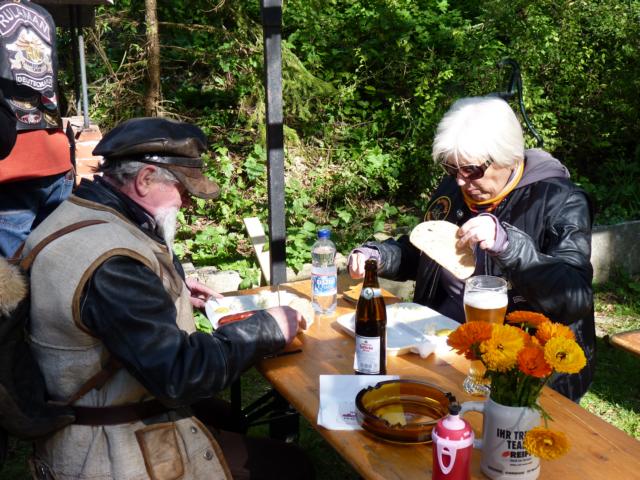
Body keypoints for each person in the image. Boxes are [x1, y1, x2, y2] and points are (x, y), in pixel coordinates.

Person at [22, 117, 314, 479]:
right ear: (145, 179)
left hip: (100, 402)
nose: (188, 202)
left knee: (227, 416)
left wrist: (169, 289)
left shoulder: (80, 212)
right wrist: (266, 328)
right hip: (106, 445)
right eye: (183, 189)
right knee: (292, 466)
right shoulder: (114, 265)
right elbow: (180, 374)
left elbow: (107, 305)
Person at [348, 96, 595, 402]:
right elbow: (424, 253)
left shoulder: (561, 200)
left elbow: (575, 298)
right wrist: (377, 257)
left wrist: (508, 246)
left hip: (523, 371)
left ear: (508, 157)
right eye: (451, 169)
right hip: (441, 346)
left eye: (472, 170)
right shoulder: (454, 189)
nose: (461, 182)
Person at [0, 0, 74, 258]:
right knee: (54, 264)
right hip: (56, 159)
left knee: (11, 276)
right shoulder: (41, 14)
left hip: (11, 171)